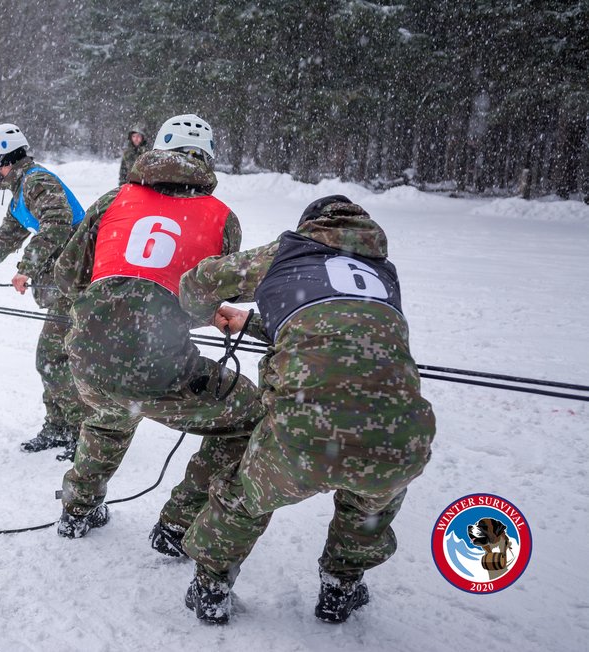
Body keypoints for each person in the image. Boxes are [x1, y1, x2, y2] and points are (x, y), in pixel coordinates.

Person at [177, 195, 436, 625]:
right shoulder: (382, 274)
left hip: (303, 430)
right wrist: (250, 323)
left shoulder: (290, 250)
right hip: (400, 436)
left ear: (310, 225)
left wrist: (204, 312)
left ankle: (211, 586)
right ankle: (341, 587)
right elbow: (329, 329)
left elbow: (198, 282)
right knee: (369, 505)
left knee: (243, 498)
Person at [53, 114, 265, 544]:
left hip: (87, 359)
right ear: (206, 159)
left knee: (111, 410)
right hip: (158, 370)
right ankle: (177, 522)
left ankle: (77, 509)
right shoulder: (223, 218)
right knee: (250, 415)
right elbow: (200, 296)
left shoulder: (114, 199)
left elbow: (68, 275)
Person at [0, 123, 91, 460]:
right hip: (69, 282)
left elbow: (58, 221)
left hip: (82, 282)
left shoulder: (37, 181)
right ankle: (60, 427)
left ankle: (81, 433)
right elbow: (3, 242)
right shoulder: (22, 191)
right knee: (55, 358)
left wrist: (27, 267)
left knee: (52, 358)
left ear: (1, 162)